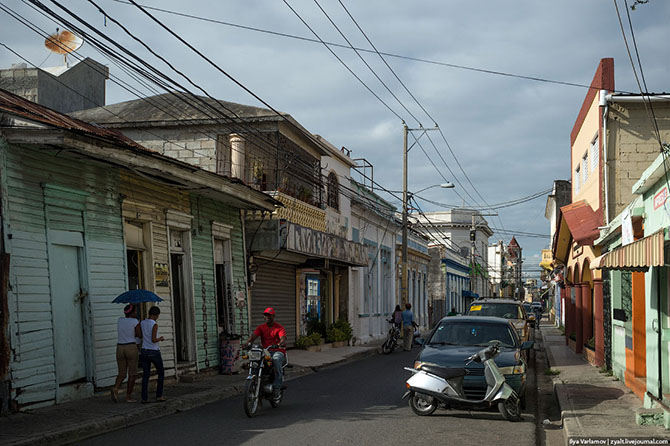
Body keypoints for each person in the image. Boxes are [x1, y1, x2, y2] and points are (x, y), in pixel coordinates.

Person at [245, 307, 287, 398]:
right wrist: (247, 343)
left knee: (275, 360)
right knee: (254, 361)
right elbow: (253, 337)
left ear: (273, 316)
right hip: (266, 351)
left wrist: (281, 343)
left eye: (269, 315)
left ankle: (277, 386)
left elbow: (282, 337)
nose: (267, 317)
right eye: (266, 315)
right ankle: (255, 382)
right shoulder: (261, 327)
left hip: (277, 351)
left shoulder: (279, 328)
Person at [112, 304, 141, 403]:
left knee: (122, 373)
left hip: (120, 347)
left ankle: (115, 388)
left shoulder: (120, 320)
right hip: (131, 347)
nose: (136, 313)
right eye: (135, 311)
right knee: (132, 373)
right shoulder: (134, 321)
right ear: (132, 313)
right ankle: (128, 397)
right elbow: (139, 334)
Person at [140, 306, 166, 404]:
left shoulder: (142, 323)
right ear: (155, 315)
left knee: (146, 375)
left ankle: (144, 397)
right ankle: (159, 395)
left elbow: (140, 334)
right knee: (161, 373)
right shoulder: (154, 324)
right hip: (154, 351)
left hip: (144, 350)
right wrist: (161, 338)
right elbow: (153, 339)